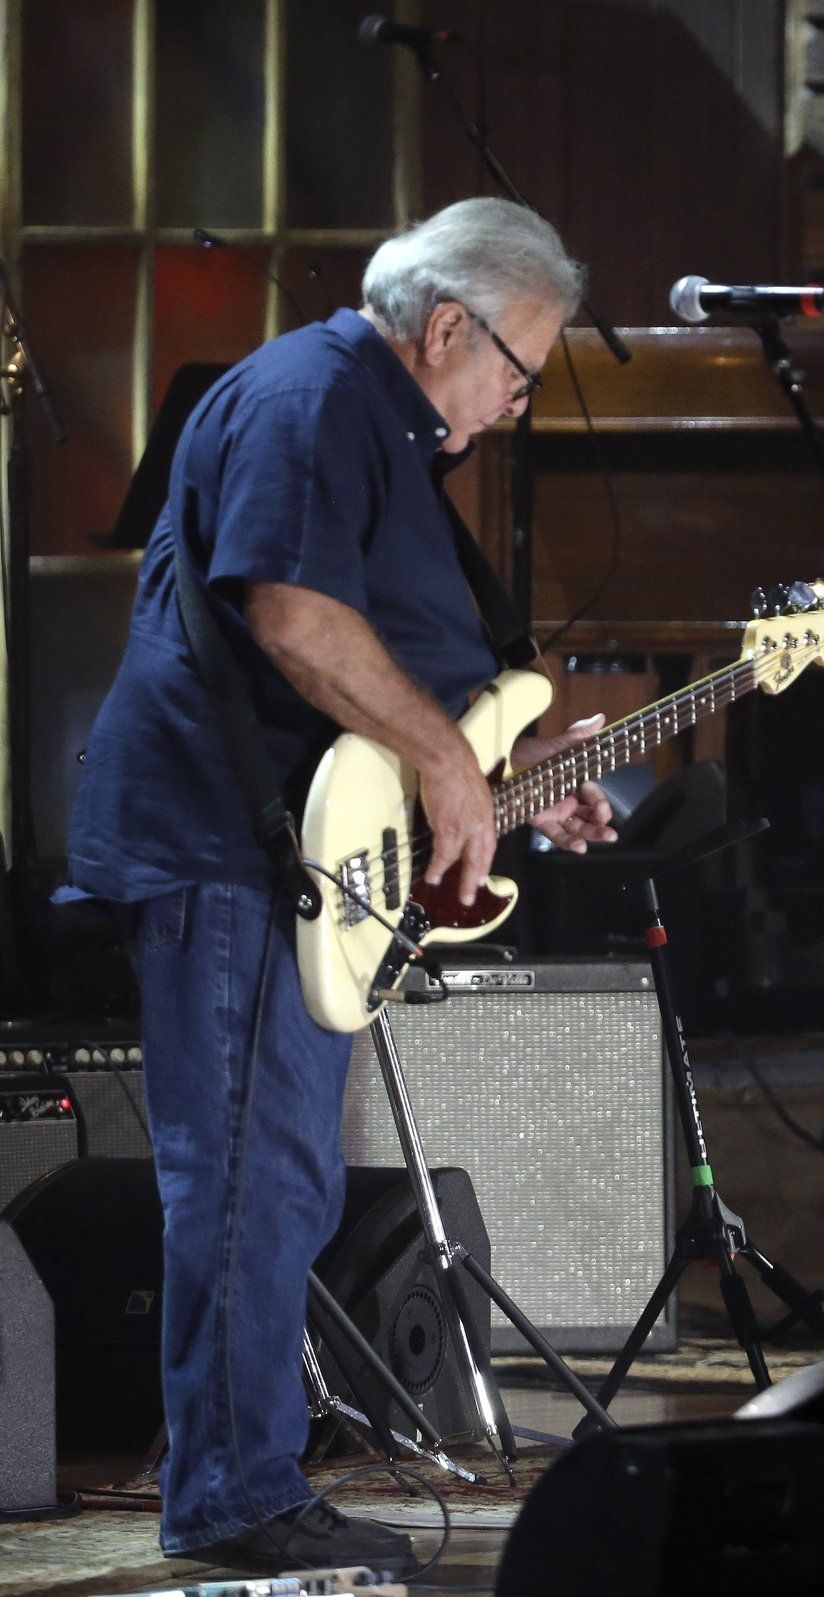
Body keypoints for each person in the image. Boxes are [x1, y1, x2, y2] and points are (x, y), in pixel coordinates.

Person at [64, 198, 617, 1574]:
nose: (515, 404)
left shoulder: (369, 420)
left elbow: (386, 664)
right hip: (226, 843)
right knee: (252, 1180)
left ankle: (239, 1475)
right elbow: (296, 619)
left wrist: (508, 773)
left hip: (288, 850)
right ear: (449, 327)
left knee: (285, 1180)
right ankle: (231, 1498)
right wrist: (446, 760)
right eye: (520, 371)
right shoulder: (311, 397)